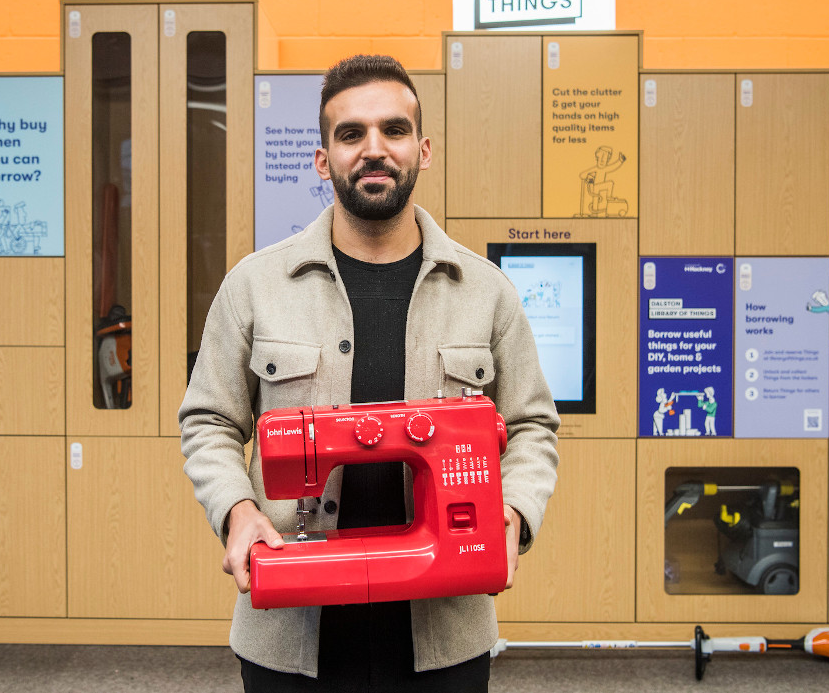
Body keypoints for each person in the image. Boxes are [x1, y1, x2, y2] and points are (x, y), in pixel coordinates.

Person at [180, 54, 560, 691]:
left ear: (424, 149)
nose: (374, 149)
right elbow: (208, 420)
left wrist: (514, 511)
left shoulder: (486, 293)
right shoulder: (254, 287)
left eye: (394, 130)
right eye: (351, 134)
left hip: (442, 637)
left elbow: (532, 427)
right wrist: (238, 512)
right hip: (293, 638)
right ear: (324, 159)